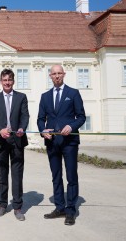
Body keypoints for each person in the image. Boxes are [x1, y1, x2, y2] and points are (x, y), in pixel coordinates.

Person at [37, 64, 86, 226]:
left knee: (71, 176)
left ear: (64, 74)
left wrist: (71, 126)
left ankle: (71, 210)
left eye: (59, 73)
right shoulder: (45, 96)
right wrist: (43, 130)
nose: (57, 76)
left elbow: (81, 117)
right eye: (54, 74)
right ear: (50, 76)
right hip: (52, 142)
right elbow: (40, 119)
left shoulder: (73, 93)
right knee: (56, 176)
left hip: (69, 142)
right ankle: (60, 207)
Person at [0, 68, 29, 221]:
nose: (7, 83)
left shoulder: (21, 97)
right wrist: (0, 130)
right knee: (2, 174)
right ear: (1, 81)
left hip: (17, 140)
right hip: (1, 141)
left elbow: (25, 116)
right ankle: (3, 204)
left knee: (17, 175)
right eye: (4, 80)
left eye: (9, 80)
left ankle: (17, 207)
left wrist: (22, 128)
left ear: (13, 81)